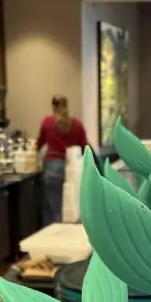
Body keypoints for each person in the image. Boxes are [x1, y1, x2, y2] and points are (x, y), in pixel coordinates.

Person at [37, 95, 88, 226]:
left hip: (53, 169)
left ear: (53, 107)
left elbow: (39, 145)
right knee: (73, 211)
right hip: (73, 170)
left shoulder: (47, 122)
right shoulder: (77, 124)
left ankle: (52, 237)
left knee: (53, 211)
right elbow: (85, 148)